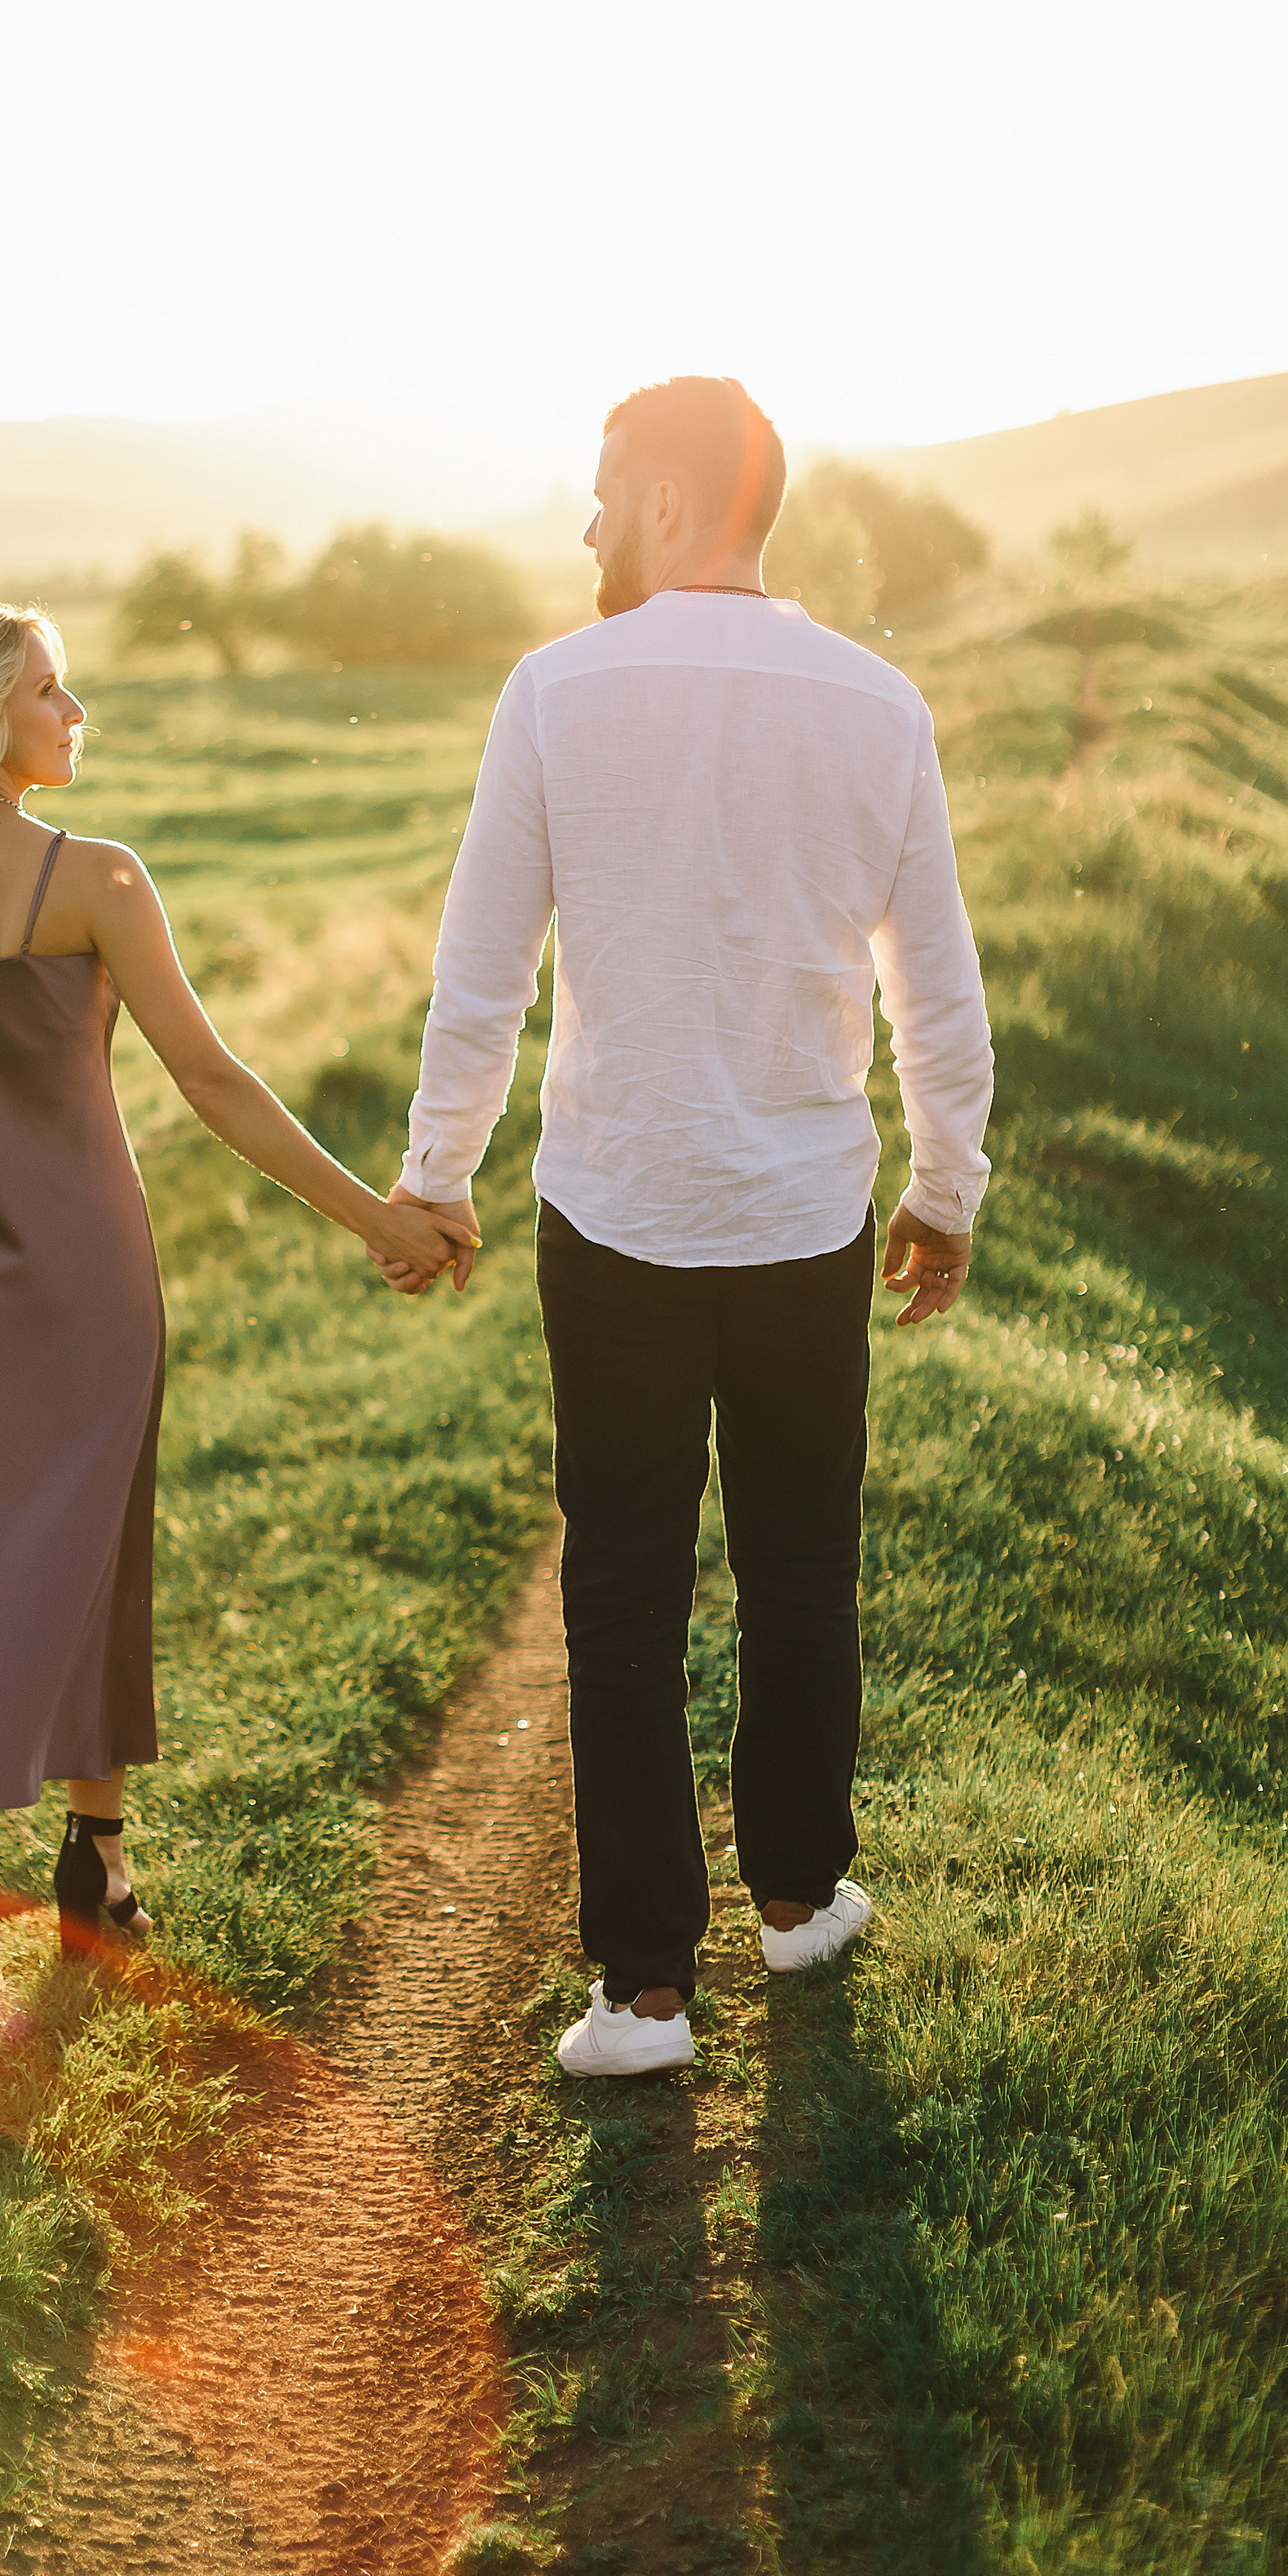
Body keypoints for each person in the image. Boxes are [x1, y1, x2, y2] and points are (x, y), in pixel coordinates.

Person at [382, 376, 994, 2076]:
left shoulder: (552, 694)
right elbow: (930, 994)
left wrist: (440, 1175)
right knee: (803, 1568)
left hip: (619, 1215)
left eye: (598, 493)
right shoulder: (874, 706)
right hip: (803, 1215)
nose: (583, 527)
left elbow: (480, 970)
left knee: (625, 1596)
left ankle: (642, 1990)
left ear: (663, 503)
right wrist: (944, 1192)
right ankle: (797, 1903)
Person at [0, 601, 474, 2039]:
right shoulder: (98, 878)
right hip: (88, 1284)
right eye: (51, 692)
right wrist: (381, 1220)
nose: (75, 714)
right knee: (94, 1554)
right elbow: (215, 1084)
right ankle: (93, 1860)